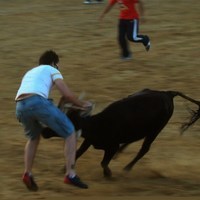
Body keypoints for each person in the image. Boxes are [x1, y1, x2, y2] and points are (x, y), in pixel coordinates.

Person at [15, 50, 90, 191]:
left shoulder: (30, 72)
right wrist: (82, 104)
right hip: (37, 103)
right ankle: (70, 174)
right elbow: (66, 94)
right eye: (58, 65)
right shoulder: (51, 69)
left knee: (33, 137)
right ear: (53, 63)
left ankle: (27, 173)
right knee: (70, 132)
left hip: (20, 106)